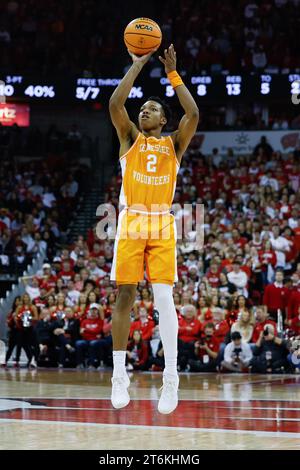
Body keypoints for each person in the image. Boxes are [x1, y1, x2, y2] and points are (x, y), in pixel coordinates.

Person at [109, 43, 199, 413]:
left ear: (163, 120)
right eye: (142, 108)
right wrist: (137, 65)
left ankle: (171, 378)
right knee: (125, 298)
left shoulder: (174, 144)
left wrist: (173, 75)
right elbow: (116, 105)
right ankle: (118, 376)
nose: (143, 111)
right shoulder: (130, 137)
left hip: (162, 221)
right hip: (131, 219)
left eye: (151, 109)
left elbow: (192, 113)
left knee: (164, 300)